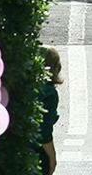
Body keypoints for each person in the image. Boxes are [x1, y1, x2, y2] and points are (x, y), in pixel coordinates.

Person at [37, 46, 62, 175]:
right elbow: (44, 131)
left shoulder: (25, 86)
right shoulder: (49, 93)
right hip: (36, 153)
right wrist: (52, 158)